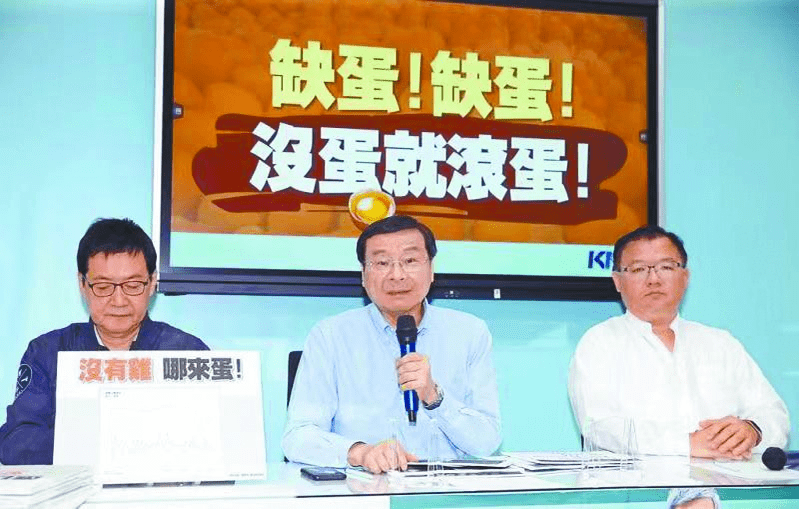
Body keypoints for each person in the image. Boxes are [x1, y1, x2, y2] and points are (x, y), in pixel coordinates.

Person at [282, 215, 501, 473]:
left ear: (431, 269)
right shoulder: (330, 336)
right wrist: (360, 452)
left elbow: (486, 443)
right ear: (363, 275)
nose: (397, 275)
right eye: (382, 263)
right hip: (364, 488)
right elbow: (297, 438)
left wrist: (433, 397)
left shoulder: (469, 333)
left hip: (444, 487)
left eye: (410, 261)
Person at [568, 225, 789, 459]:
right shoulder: (599, 343)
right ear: (617, 281)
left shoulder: (721, 344)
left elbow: (773, 413)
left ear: (685, 277)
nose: (653, 279)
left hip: (727, 479)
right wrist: (687, 444)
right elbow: (599, 427)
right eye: (638, 269)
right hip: (639, 482)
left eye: (666, 267)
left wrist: (752, 430)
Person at [0, 218, 209, 465]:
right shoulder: (48, 352)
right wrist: (110, 442)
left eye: (133, 285)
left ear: (152, 283)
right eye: (103, 286)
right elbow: (17, 442)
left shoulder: (188, 353)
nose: (118, 301)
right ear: (82, 284)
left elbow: (213, 440)